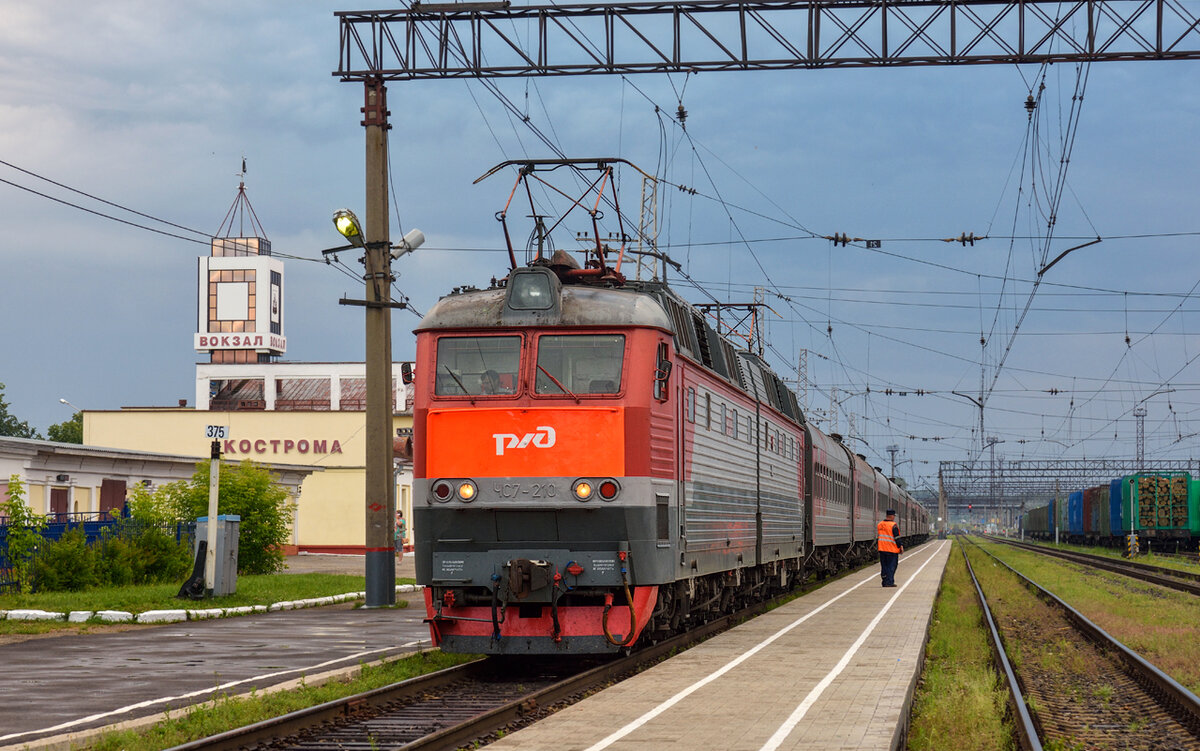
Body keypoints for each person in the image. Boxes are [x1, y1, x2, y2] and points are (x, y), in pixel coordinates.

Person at [877, 508, 904, 587]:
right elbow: (897, 538)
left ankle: (884, 581)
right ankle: (889, 582)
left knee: (884, 566)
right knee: (891, 567)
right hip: (892, 550)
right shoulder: (893, 525)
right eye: (894, 516)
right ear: (892, 516)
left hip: (882, 549)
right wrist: (900, 546)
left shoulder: (880, 524)